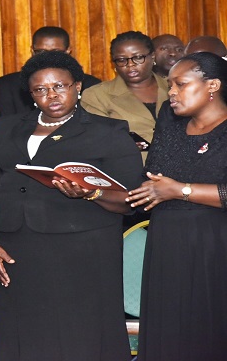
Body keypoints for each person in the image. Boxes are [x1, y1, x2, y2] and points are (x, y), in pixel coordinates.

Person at [0, 51, 142, 360]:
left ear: (77, 86)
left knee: (82, 332)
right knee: (25, 330)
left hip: (85, 249)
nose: (52, 95)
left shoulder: (108, 132)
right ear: (31, 95)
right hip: (18, 248)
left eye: (60, 86)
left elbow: (132, 199)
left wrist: (90, 193)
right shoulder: (5, 128)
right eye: (41, 89)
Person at [127, 52, 227, 360]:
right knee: (168, 331)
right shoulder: (169, 121)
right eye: (170, 85)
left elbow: (173, 186)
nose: (171, 92)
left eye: (181, 84)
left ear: (213, 85)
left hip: (214, 243)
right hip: (168, 242)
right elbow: (155, 177)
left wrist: (180, 190)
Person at [81, 31, 169, 161]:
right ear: (114, 64)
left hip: (181, 171)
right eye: (122, 60)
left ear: (153, 57)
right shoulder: (97, 95)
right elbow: (98, 140)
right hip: (128, 171)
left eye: (138, 57)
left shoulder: (173, 87)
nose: (130, 64)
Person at [0, 26, 101, 117]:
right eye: (41, 52)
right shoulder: (8, 84)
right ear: (32, 51)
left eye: (56, 52)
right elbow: (4, 129)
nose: (48, 57)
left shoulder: (91, 84)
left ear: (68, 51)